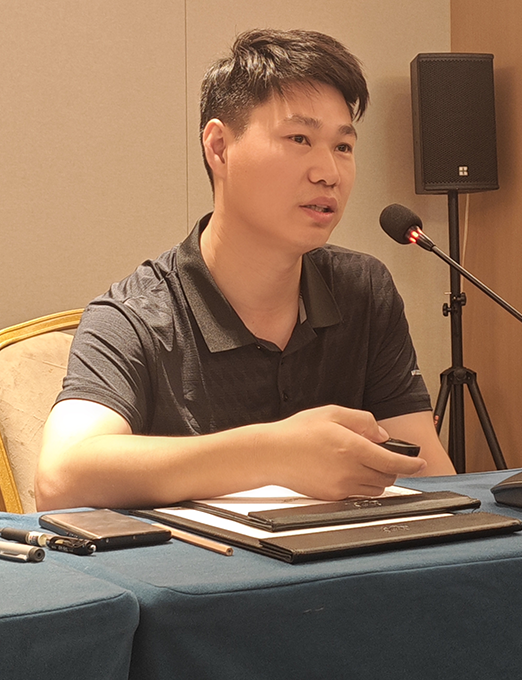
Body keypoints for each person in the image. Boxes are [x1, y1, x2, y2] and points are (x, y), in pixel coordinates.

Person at [35, 28, 455, 510]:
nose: (329, 173)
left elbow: (429, 476)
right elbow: (61, 479)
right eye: (299, 138)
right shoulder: (136, 317)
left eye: (343, 147)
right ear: (219, 148)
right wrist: (274, 452)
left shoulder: (363, 290)